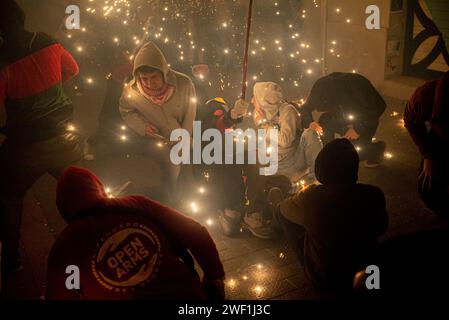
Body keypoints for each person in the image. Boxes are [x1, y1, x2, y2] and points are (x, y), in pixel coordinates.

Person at [46, 166, 225, 300]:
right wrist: (214, 279)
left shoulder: (66, 246)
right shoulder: (135, 205)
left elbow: (63, 294)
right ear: (97, 187)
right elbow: (195, 232)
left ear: (63, 208)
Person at [0, 0, 82, 272]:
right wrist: (52, 87)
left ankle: (11, 260)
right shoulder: (47, 41)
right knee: (82, 194)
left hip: (26, 148)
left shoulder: (3, 59)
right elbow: (73, 69)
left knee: (9, 197)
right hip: (65, 140)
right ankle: (96, 241)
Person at [275, 139, 388, 295]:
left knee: (287, 215)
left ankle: (309, 258)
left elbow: (282, 210)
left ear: (321, 169)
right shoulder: (373, 194)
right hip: (368, 274)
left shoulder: (311, 197)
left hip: (328, 279)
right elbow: (381, 227)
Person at [119, 42, 197, 202]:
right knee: (172, 165)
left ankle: (188, 198)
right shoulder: (132, 91)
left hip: (183, 136)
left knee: (188, 168)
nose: (148, 83)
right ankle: (171, 198)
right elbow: (126, 111)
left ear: (164, 73)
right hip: (157, 139)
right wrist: (142, 127)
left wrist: (186, 136)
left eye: (153, 77)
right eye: (143, 78)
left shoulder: (184, 84)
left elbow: (190, 111)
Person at [301, 72, 387, 167]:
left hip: (364, 119)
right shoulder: (320, 89)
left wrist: (357, 129)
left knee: (351, 155)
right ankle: (328, 152)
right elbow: (305, 109)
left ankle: (376, 150)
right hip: (343, 115)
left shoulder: (357, 86)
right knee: (325, 120)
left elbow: (380, 106)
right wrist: (310, 123)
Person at [404, 71, 449, 218]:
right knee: (428, 188)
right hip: (440, 139)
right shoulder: (424, 95)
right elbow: (411, 120)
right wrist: (427, 155)